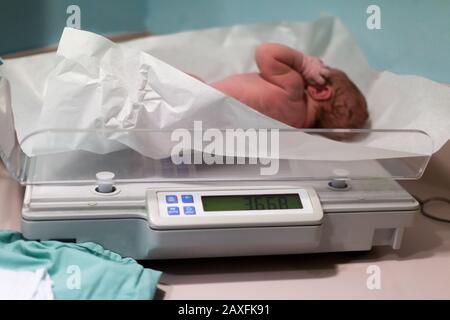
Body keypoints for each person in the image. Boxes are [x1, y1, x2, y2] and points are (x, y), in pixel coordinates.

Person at [210, 43, 368, 129]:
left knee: (191, 81)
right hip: (210, 131)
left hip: (206, 99)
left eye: (322, 70)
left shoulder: (293, 88)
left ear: (320, 90)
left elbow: (264, 51)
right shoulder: (294, 130)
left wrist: (304, 63)